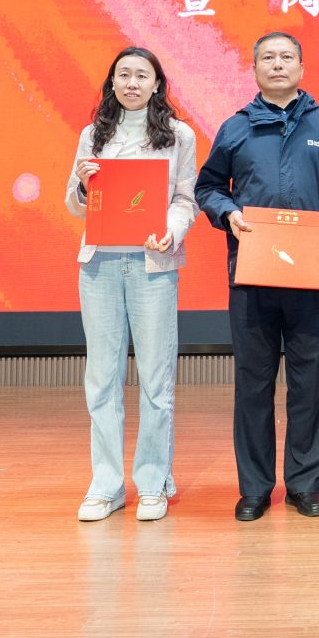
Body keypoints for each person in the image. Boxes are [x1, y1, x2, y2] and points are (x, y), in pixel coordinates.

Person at [195, 32, 319, 521]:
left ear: (301, 67)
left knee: (309, 382)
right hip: (252, 274)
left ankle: (305, 484)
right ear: (254, 70)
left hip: (313, 272)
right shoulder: (236, 128)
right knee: (252, 383)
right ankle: (254, 487)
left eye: (286, 57)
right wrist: (227, 212)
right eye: (268, 58)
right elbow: (209, 186)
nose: (277, 64)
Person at [63, 46, 198, 523]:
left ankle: (153, 483)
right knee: (102, 379)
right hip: (99, 264)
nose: (132, 83)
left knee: (156, 380)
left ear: (157, 84)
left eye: (142, 75)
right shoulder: (93, 133)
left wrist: (171, 232)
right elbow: (75, 203)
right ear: (112, 82)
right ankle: (106, 486)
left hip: (152, 265)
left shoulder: (179, 135)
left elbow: (186, 199)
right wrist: (83, 185)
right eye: (124, 75)